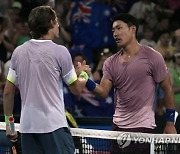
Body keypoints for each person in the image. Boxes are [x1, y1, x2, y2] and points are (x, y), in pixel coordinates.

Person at [77, 13, 177, 153]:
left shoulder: (153, 56)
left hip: (143, 129)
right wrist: (87, 80)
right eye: (113, 30)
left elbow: (167, 89)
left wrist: (170, 123)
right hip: (117, 129)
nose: (115, 33)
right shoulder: (110, 63)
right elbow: (103, 92)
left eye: (119, 28)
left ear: (133, 29)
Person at [3, 6, 90, 154]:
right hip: (54, 127)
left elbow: (7, 93)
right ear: (51, 23)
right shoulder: (60, 51)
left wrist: (9, 125)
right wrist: (83, 75)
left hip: (27, 128)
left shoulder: (18, 52)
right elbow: (76, 88)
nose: (58, 24)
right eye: (56, 21)